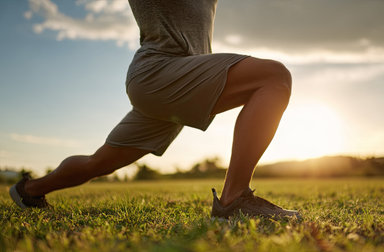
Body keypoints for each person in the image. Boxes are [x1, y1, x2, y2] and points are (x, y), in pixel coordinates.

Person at [10, 0, 300, 219]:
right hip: (159, 73)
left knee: (98, 163)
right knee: (273, 77)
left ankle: (30, 191)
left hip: (174, 80)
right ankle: (234, 198)